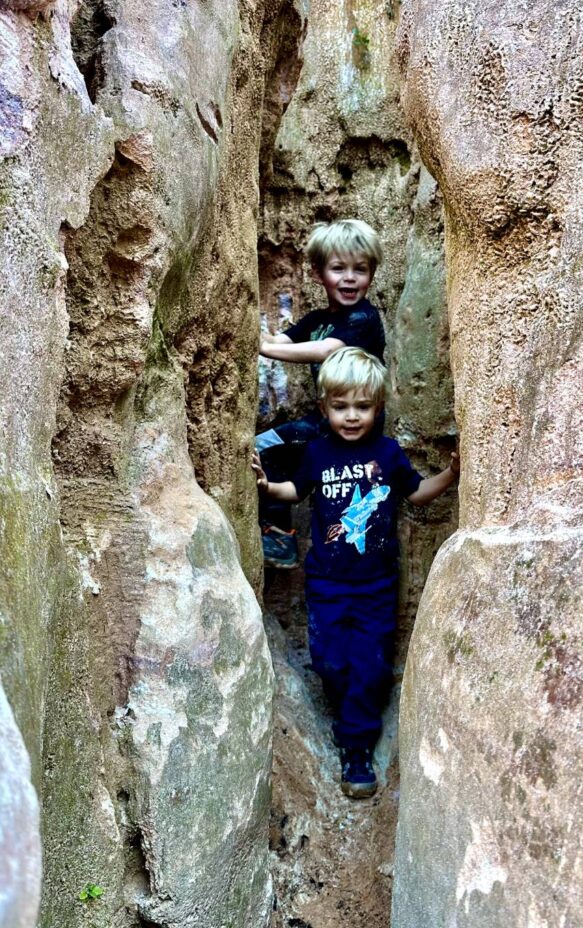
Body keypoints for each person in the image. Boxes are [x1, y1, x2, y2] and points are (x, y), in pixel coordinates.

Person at [252, 347, 460, 798]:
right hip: (326, 584)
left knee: (370, 666)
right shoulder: (316, 453)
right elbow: (295, 490)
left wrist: (451, 473)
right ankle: (346, 708)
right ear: (324, 407)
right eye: (341, 407)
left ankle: (357, 746)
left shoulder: (387, 453)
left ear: (378, 407)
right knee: (330, 661)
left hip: (376, 586)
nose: (351, 417)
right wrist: (267, 485)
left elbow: (417, 492)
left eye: (362, 407)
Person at [257, 219, 385, 569]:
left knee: (266, 446)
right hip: (327, 420)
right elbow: (283, 340)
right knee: (268, 450)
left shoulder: (363, 317)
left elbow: (327, 350)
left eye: (360, 269)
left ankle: (281, 537)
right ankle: (280, 532)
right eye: (338, 268)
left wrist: (265, 350)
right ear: (318, 274)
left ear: (371, 274)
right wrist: (263, 342)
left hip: (357, 421)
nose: (349, 278)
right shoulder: (315, 320)